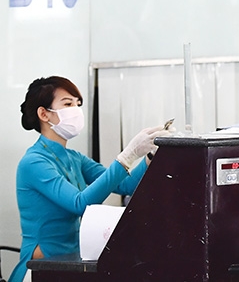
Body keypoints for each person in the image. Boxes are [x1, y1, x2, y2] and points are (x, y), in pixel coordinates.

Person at [10, 76, 171, 282]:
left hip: (70, 261)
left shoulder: (74, 158)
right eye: (67, 104)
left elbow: (126, 185)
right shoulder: (34, 162)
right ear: (43, 113)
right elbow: (80, 204)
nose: (76, 110)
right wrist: (127, 155)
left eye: (78, 104)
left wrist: (149, 156)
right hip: (39, 269)